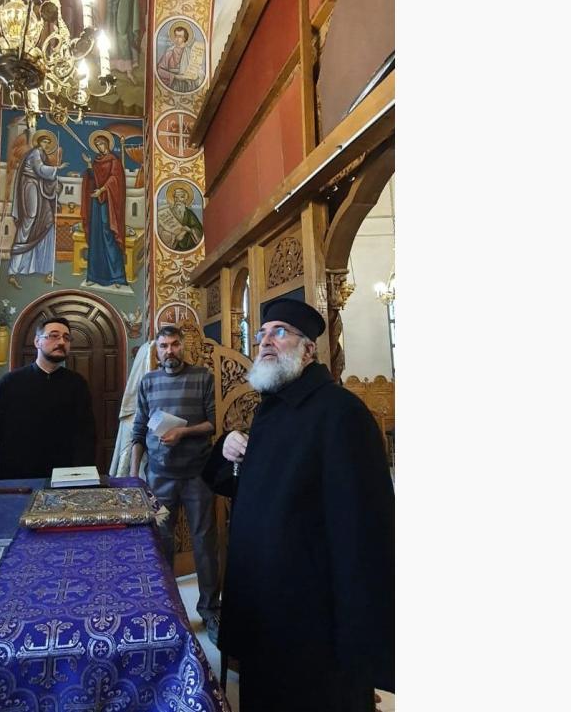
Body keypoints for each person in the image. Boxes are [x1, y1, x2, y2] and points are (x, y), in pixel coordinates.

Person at [203, 298, 394, 711]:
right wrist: (228, 447)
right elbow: (252, 488)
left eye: (279, 332)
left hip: (311, 615)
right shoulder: (270, 409)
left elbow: (365, 532)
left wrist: (360, 638)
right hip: (262, 603)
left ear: (308, 349)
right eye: (262, 334)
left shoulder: (341, 413)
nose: (265, 341)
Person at [129, 325, 220, 643]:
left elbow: (213, 422)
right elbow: (139, 428)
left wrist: (183, 431)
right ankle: (167, 611)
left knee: (204, 542)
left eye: (175, 344)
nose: (170, 351)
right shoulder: (148, 381)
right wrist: (133, 475)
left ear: (183, 346)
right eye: (164, 346)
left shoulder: (203, 377)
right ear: (157, 350)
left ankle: (210, 610)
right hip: (159, 476)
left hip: (198, 475)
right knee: (161, 542)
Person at [0, 317, 96, 481]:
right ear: (37, 341)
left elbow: (85, 435)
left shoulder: (77, 384)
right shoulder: (10, 382)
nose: (62, 342)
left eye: (67, 338)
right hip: (14, 477)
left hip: (62, 477)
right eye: (54, 336)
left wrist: (83, 473)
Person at [6, 132, 67, 288]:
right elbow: (40, 170)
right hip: (30, 185)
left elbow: (46, 176)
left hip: (40, 189)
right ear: (39, 142)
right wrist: (57, 168)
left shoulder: (43, 155)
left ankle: (46, 270)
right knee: (30, 219)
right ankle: (14, 270)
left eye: (48, 142)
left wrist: (56, 184)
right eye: (44, 141)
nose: (46, 144)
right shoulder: (34, 153)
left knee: (47, 222)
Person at [81, 131, 128, 287]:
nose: (99, 147)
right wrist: (89, 164)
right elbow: (93, 178)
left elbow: (115, 179)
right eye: (97, 145)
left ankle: (117, 277)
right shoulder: (96, 161)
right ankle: (94, 277)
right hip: (97, 204)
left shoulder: (114, 160)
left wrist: (102, 190)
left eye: (101, 143)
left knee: (109, 237)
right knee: (96, 238)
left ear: (107, 144)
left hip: (109, 205)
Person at [157, 23, 205, 93]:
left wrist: (195, 74)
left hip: (187, 84)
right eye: (176, 36)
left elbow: (196, 68)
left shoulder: (190, 52)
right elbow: (159, 70)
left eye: (180, 36)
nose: (177, 39)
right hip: (173, 84)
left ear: (185, 38)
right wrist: (174, 76)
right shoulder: (169, 52)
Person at [156, 183, 204, 252]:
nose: (178, 200)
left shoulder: (189, 213)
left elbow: (198, 229)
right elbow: (161, 229)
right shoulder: (169, 212)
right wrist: (174, 236)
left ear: (185, 199)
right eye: (176, 197)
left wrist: (189, 230)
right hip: (174, 245)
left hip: (189, 245)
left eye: (181, 197)